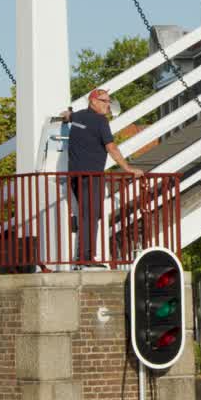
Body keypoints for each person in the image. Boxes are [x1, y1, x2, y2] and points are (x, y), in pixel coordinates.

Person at [62, 88, 143, 267]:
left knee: (85, 215)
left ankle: (83, 256)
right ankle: (86, 257)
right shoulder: (101, 121)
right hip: (92, 176)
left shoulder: (79, 116)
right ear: (93, 101)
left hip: (75, 176)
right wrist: (127, 168)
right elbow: (111, 147)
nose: (108, 105)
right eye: (104, 101)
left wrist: (66, 115)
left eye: (108, 101)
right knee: (92, 215)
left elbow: (68, 116)